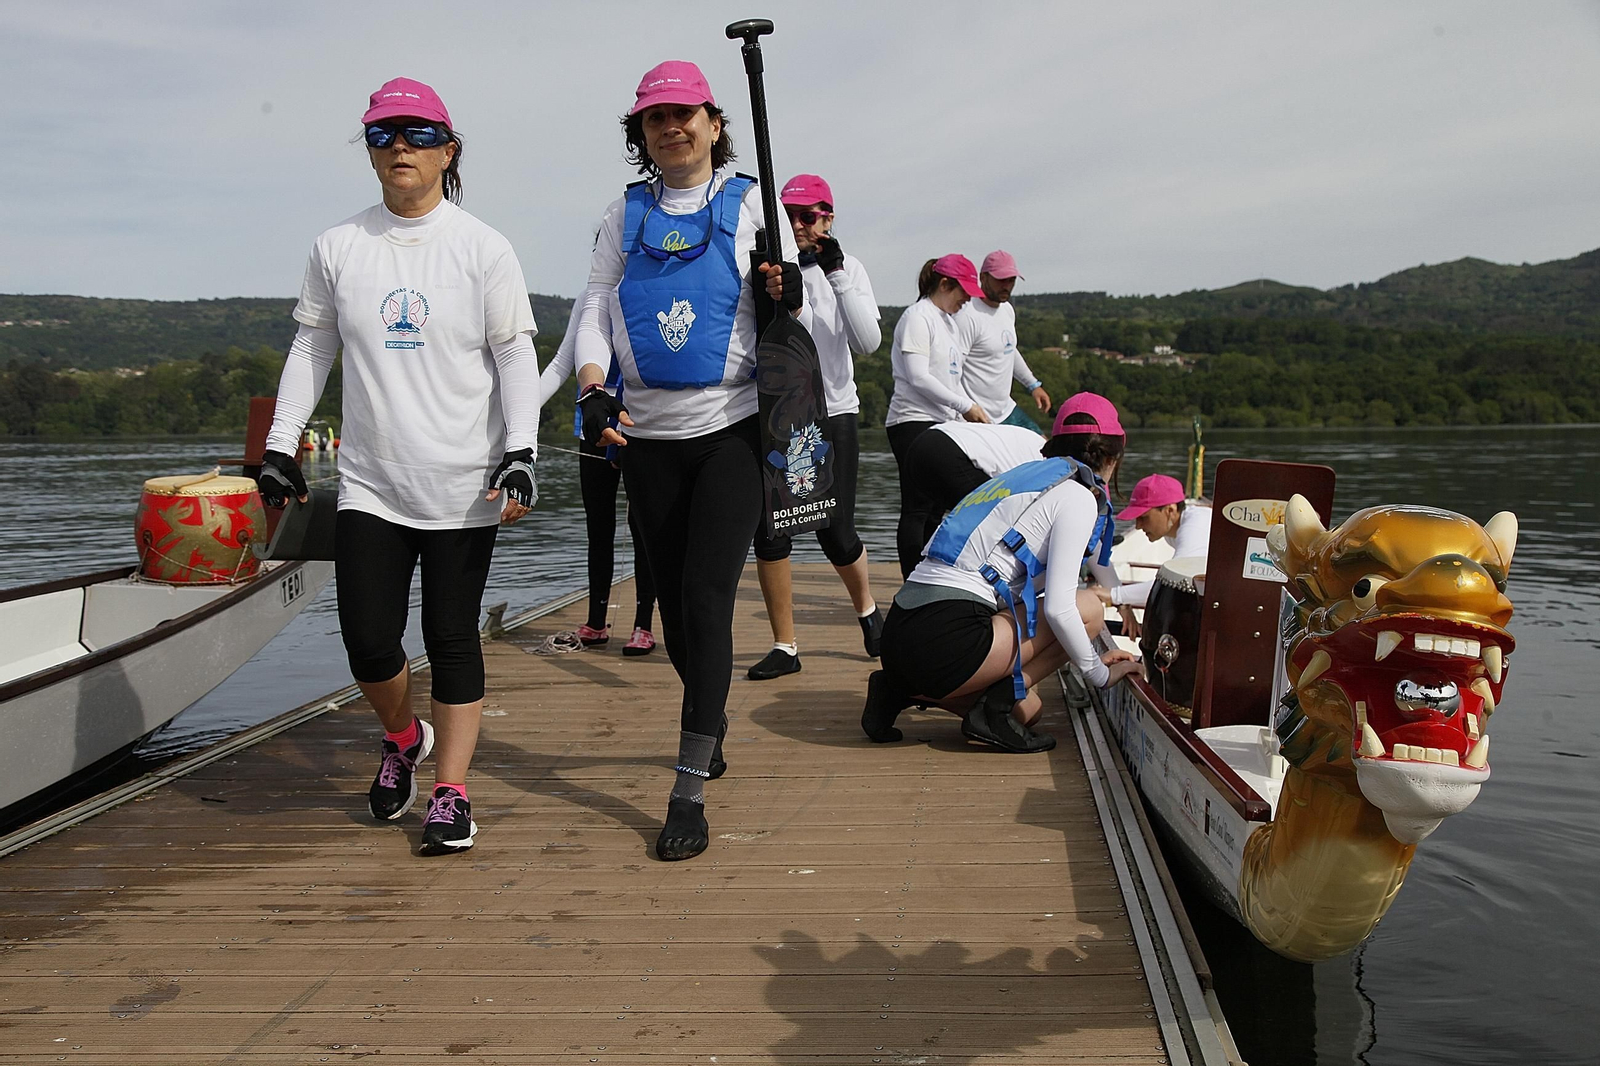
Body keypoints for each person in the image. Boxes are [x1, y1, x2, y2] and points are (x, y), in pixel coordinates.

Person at [257, 77, 539, 856]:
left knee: (451, 635)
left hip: (463, 484)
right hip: (372, 485)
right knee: (369, 641)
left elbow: (515, 352)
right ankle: (401, 734)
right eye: (383, 136)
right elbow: (313, 347)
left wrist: (522, 452)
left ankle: (451, 793)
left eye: (416, 135)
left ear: (449, 150)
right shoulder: (339, 246)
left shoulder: (483, 247)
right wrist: (281, 446)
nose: (399, 149)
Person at [571, 60, 807, 861]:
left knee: (705, 600)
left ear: (712, 122)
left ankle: (687, 788)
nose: (669, 128)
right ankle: (711, 716)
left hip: (731, 432)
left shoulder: (752, 204)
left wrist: (787, 292)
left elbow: (785, 314)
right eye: (653, 119)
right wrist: (593, 386)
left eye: (683, 115)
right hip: (646, 438)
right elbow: (596, 307)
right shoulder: (622, 214)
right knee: (672, 607)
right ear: (640, 134)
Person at [863, 394, 1139, 752]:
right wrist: (1100, 675)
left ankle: (896, 690)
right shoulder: (1078, 496)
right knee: (1088, 609)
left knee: (1029, 709)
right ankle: (990, 709)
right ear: (1114, 454)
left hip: (901, 635)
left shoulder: (1020, 480)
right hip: (944, 641)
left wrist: (1085, 653)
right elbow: (1059, 609)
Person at [747, 174, 884, 681]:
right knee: (771, 529)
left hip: (835, 409)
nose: (799, 225)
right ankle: (785, 645)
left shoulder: (850, 270)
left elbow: (867, 343)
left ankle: (868, 610)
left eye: (808, 216)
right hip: (779, 412)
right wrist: (786, 296)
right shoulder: (767, 269)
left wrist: (836, 274)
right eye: (790, 216)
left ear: (828, 219)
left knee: (837, 532)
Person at [537, 302, 657, 654]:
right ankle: (595, 622)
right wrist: (521, 412)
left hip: (640, 425)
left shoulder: (644, 290)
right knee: (598, 527)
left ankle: (643, 626)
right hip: (592, 428)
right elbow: (562, 363)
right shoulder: (588, 300)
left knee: (643, 528)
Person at [885, 255, 991, 576]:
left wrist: (967, 411)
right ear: (944, 284)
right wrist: (966, 406)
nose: (968, 300)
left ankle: (931, 579)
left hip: (942, 425)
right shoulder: (918, 318)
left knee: (936, 509)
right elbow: (918, 377)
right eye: (964, 292)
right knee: (917, 508)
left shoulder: (947, 322)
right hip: (912, 421)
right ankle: (911, 583)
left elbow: (951, 379)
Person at [897, 422, 1046, 567]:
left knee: (917, 515)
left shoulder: (1034, 443)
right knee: (989, 519)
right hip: (951, 451)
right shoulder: (1047, 466)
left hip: (925, 441)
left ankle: (913, 584)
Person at [1093, 473, 1213, 639]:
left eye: (1143, 518)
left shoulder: (1195, 527)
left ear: (1170, 510)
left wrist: (1114, 595)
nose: (1138, 526)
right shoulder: (1175, 527)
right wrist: (1121, 600)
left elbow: (1172, 585)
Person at [960, 250, 1050, 430]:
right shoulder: (966, 314)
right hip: (977, 415)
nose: (1007, 286)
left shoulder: (1007, 310)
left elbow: (1009, 350)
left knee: (1045, 452)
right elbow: (952, 368)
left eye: (1011, 280)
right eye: (1001, 280)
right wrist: (965, 407)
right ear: (983, 277)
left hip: (1006, 410)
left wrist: (1033, 385)